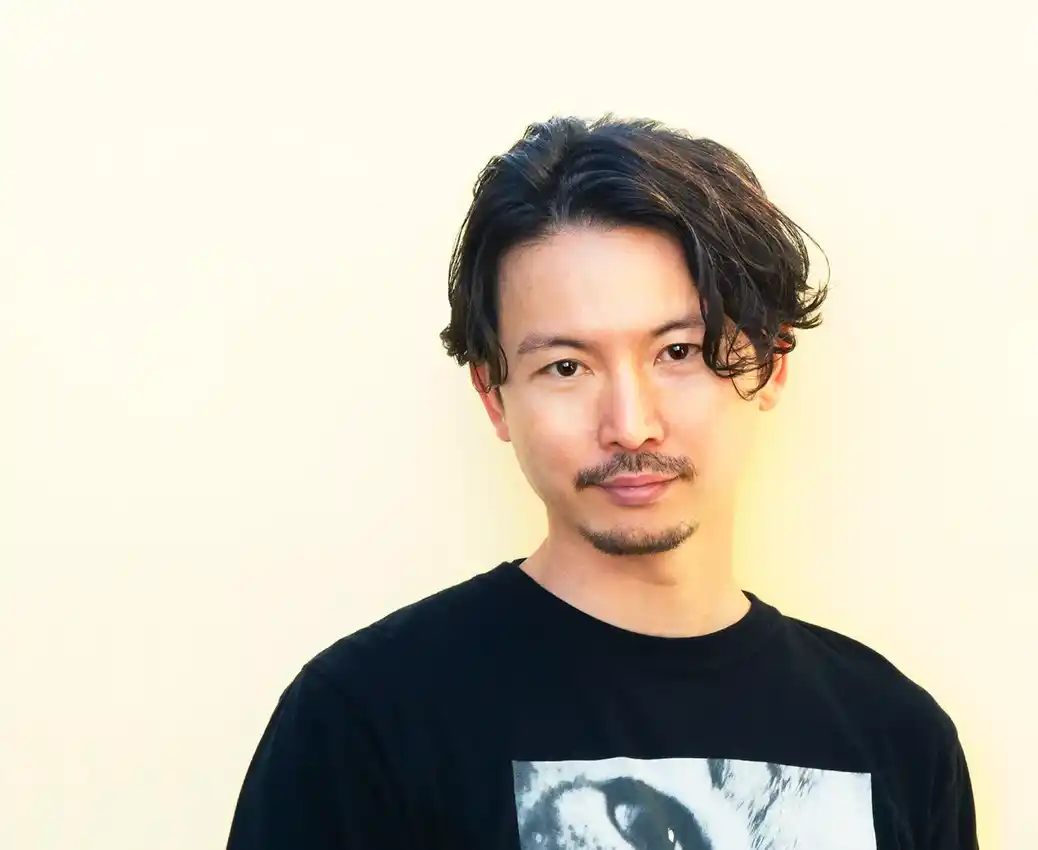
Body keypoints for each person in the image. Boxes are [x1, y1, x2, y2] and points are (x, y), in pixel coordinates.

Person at [226, 115, 979, 849]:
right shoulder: (362, 721)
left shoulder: (898, 737)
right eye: (566, 366)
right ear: (494, 396)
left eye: (680, 352)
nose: (630, 424)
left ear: (770, 365)